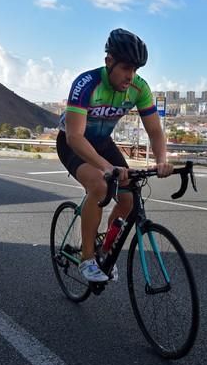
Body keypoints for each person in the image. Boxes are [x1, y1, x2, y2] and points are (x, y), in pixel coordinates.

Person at [56, 28, 173, 282]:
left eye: (135, 70)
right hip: (73, 142)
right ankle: (87, 259)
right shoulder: (86, 84)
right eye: (126, 68)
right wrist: (107, 167)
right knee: (99, 185)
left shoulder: (139, 88)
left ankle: (104, 252)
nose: (130, 76)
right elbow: (75, 137)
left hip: (102, 142)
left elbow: (154, 129)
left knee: (129, 198)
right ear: (109, 61)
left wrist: (162, 160)